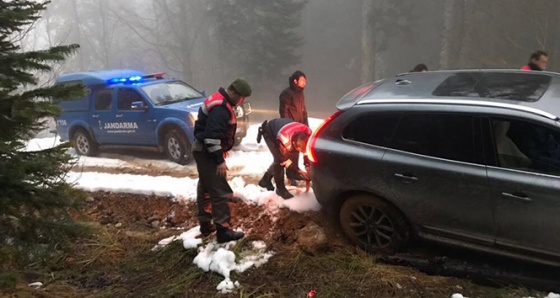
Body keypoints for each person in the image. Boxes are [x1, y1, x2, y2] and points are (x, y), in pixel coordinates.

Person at [192, 78, 252, 243]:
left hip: (201, 150)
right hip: (207, 152)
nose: (242, 101)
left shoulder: (219, 100)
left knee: (205, 187)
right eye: (242, 98)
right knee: (221, 191)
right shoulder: (221, 108)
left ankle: (205, 224)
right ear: (234, 93)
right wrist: (219, 160)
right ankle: (223, 231)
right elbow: (212, 137)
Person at [256, 118, 312, 199]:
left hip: (285, 127)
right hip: (269, 131)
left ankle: (265, 180)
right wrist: (300, 171)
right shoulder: (284, 140)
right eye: (300, 150)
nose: (302, 152)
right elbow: (284, 161)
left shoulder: (309, 133)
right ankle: (280, 189)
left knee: (284, 157)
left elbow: (307, 151)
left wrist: (307, 164)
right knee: (279, 161)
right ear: (293, 143)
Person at [279, 70, 309, 185]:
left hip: (300, 125)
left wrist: (306, 125)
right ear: (295, 81)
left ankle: (295, 172)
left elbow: (304, 110)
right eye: (302, 80)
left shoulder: (300, 93)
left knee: (298, 150)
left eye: (305, 81)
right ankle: (290, 174)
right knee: (290, 151)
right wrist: (287, 125)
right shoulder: (286, 93)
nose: (304, 83)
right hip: (290, 127)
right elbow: (284, 110)